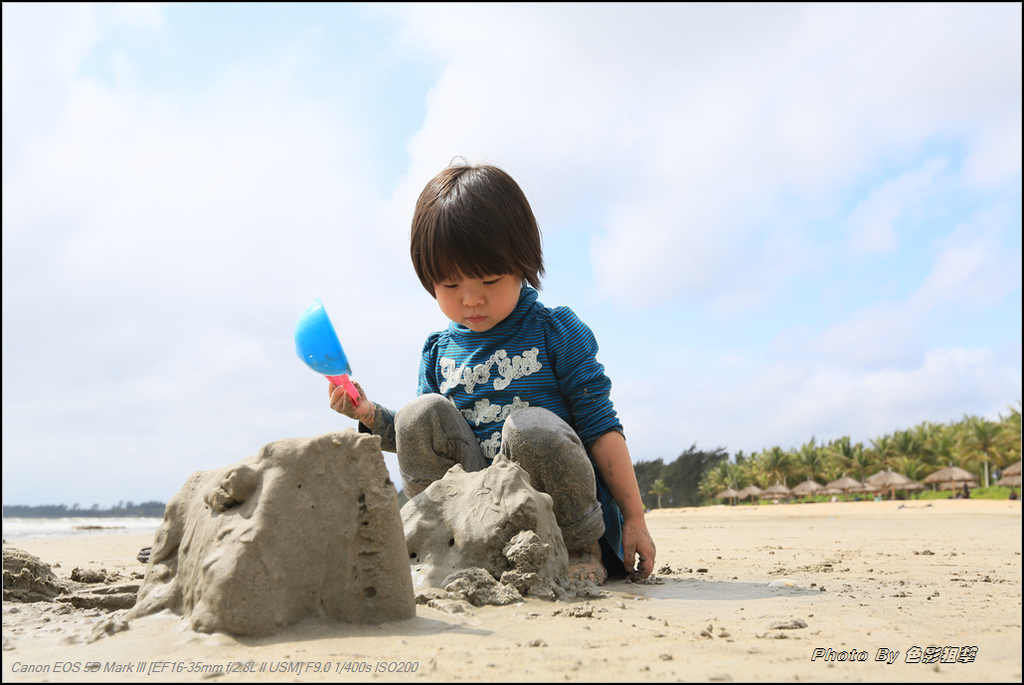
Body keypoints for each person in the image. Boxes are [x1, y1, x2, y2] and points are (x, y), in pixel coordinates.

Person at [328, 161, 656, 583]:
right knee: (419, 413)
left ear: (522, 263)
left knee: (529, 428)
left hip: (555, 518)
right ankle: (438, 542)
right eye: (450, 286)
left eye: (489, 280)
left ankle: (580, 549)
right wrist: (370, 415)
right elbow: (422, 442)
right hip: (478, 520)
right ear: (429, 281)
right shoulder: (438, 351)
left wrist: (635, 519)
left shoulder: (554, 331)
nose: (471, 301)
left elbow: (601, 427)